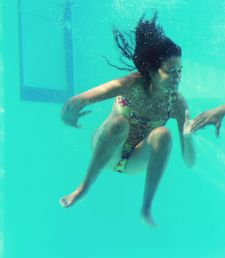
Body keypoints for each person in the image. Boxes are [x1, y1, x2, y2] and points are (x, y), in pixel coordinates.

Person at [59, 12, 195, 226]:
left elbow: (189, 161)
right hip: (107, 151)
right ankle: (83, 188)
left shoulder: (177, 103)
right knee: (118, 124)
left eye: (180, 71)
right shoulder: (131, 85)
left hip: (136, 161)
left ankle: (146, 207)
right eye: (171, 71)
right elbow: (78, 100)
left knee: (163, 134)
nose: (178, 78)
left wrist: (188, 138)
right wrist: (69, 112)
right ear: (152, 70)